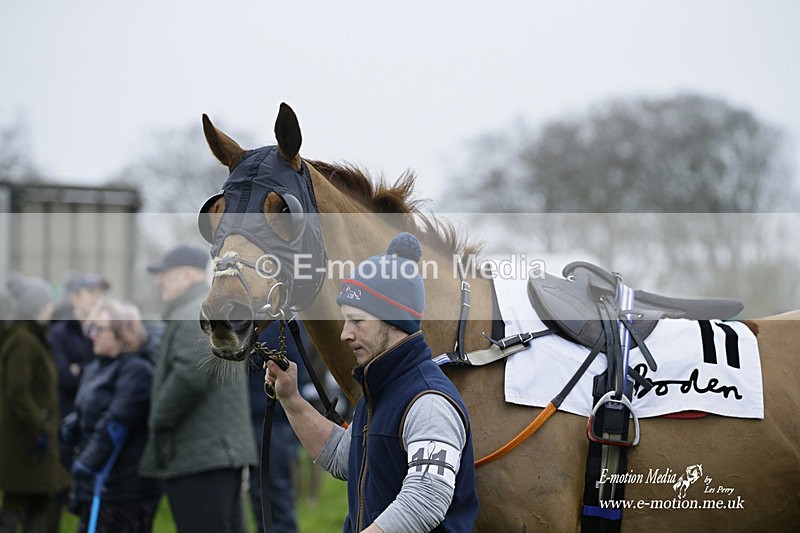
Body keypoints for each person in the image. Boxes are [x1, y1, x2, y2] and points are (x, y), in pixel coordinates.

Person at [266, 233, 479, 533]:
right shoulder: (382, 388)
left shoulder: (429, 401)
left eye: (357, 320)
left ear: (393, 319)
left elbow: (427, 498)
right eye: (345, 320)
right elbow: (345, 458)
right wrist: (291, 399)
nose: (345, 334)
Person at [139, 245, 257, 533]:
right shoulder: (199, 310)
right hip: (213, 455)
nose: (159, 281)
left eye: (165, 274)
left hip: (201, 458)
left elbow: (189, 375)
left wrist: (158, 419)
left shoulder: (193, 312)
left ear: (189, 275)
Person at [60, 299, 162, 533]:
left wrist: (87, 462)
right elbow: (87, 408)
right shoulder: (95, 367)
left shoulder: (138, 371)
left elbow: (117, 420)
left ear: (121, 332)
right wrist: (72, 424)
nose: (91, 335)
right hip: (98, 484)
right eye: (91, 328)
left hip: (124, 488)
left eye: (99, 329)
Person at [0, 274, 71, 533]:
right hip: (26, 443)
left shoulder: (29, 336)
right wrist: (39, 423)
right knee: (26, 505)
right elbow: (18, 391)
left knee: (30, 503)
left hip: (30, 441)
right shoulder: (24, 341)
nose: (52, 307)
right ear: (38, 307)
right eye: (47, 303)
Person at [48, 274, 109, 466]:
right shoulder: (59, 333)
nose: (97, 297)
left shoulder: (108, 332)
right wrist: (91, 368)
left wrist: (79, 367)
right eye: (91, 292)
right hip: (66, 424)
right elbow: (64, 379)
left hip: (98, 425)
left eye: (100, 293)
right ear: (74, 297)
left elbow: (110, 376)